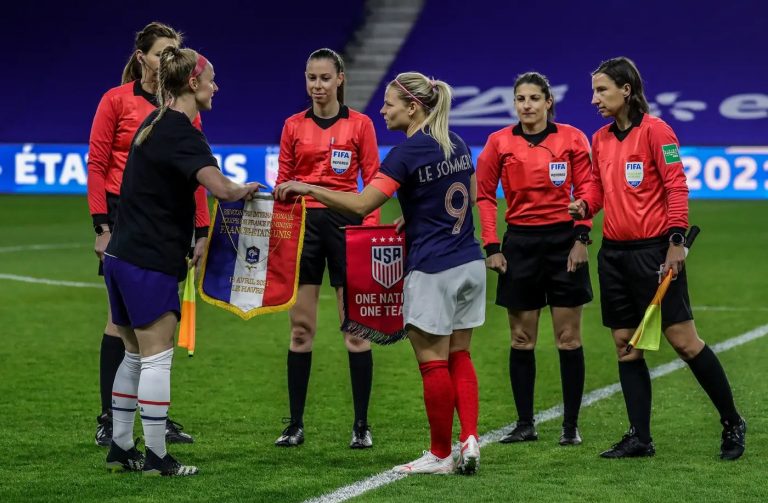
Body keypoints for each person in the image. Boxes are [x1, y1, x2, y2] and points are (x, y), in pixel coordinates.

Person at [275, 71, 485, 475]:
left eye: (389, 103)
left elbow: (360, 205)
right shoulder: (455, 142)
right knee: (461, 354)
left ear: (413, 107)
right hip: (470, 262)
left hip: (434, 268)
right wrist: (418, 215)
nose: (383, 110)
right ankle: (470, 439)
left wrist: (309, 188)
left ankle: (441, 454)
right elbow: (470, 193)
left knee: (433, 362)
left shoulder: (407, 153)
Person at [569, 56, 746, 460]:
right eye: (594, 90)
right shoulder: (600, 138)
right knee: (625, 345)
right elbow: (597, 189)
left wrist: (676, 241)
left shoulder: (656, 132)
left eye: (602, 90)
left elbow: (676, 187)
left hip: (654, 252)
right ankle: (640, 438)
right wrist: (585, 205)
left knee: (683, 341)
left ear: (626, 90)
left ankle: (732, 422)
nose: (594, 98)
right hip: (614, 253)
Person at [104, 46, 263, 476]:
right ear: (193, 83)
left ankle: (121, 446)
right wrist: (253, 189)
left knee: (134, 356)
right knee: (156, 358)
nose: (216, 86)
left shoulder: (152, 123)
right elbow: (222, 189)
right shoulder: (182, 132)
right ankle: (157, 455)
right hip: (148, 261)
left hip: (121, 257)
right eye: (211, 79)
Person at [87, 21, 206, 447]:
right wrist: (101, 226)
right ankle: (111, 418)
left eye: (174, 51)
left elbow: (192, 174)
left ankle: (153, 419)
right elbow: (97, 165)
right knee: (121, 325)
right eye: (161, 52)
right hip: (125, 216)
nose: (167, 58)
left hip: (165, 217)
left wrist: (202, 229)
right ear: (142, 57)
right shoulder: (116, 101)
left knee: (154, 329)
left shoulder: (179, 109)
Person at [477, 71, 593, 446]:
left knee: (568, 339)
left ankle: (570, 426)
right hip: (521, 246)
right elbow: (483, 195)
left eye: (533, 98)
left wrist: (582, 237)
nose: (526, 105)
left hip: (564, 244)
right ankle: (525, 424)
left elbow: (588, 188)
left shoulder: (572, 138)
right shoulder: (498, 143)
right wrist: (492, 246)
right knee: (522, 338)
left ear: (548, 103)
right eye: (520, 99)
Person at [273, 48, 380, 449]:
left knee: (355, 330)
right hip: (304, 231)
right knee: (301, 330)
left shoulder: (361, 125)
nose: (316, 86)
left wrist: (366, 236)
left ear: (340, 79)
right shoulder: (292, 126)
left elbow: (372, 184)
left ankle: (361, 425)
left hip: (346, 228)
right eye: (310, 78)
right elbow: (283, 182)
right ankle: (295, 424)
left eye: (323, 78)